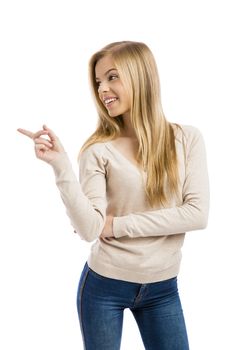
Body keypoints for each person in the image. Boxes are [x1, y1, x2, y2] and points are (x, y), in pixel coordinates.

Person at [17, 40, 209, 350]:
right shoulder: (98, 150)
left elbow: (196, 214)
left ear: (140, 77)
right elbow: (90, 229)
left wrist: (116, 225)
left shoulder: (187, 139)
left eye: (112, 76)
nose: (103, 89)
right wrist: (61, 166)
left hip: (163, 288)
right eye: (98, 82)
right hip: (104, 286)